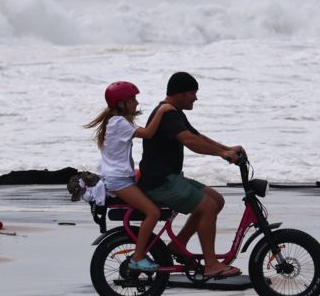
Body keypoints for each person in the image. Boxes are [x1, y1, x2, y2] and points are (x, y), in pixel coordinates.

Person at [138, 71, 244, 279]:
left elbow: (197, 136)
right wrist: (223, 153)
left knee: (217, 199)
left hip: (171, 178)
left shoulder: (174, 112)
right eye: (193, 93)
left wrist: (227, 148)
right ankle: (211, 265)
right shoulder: (167, 114)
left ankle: (179, 246)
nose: (196, 98)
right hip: (160, 183)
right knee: (208, 206)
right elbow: (190, 141)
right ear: (181, 94)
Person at [85, 81, 176, 272]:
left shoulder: (116, 121)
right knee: (153, 212)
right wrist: (162, 110)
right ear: (120, 103)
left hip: (119, 176)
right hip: (118, 180)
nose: (136, 102)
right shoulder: (119, 122)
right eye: (132, 99)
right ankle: (138, 257)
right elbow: (149, 133)